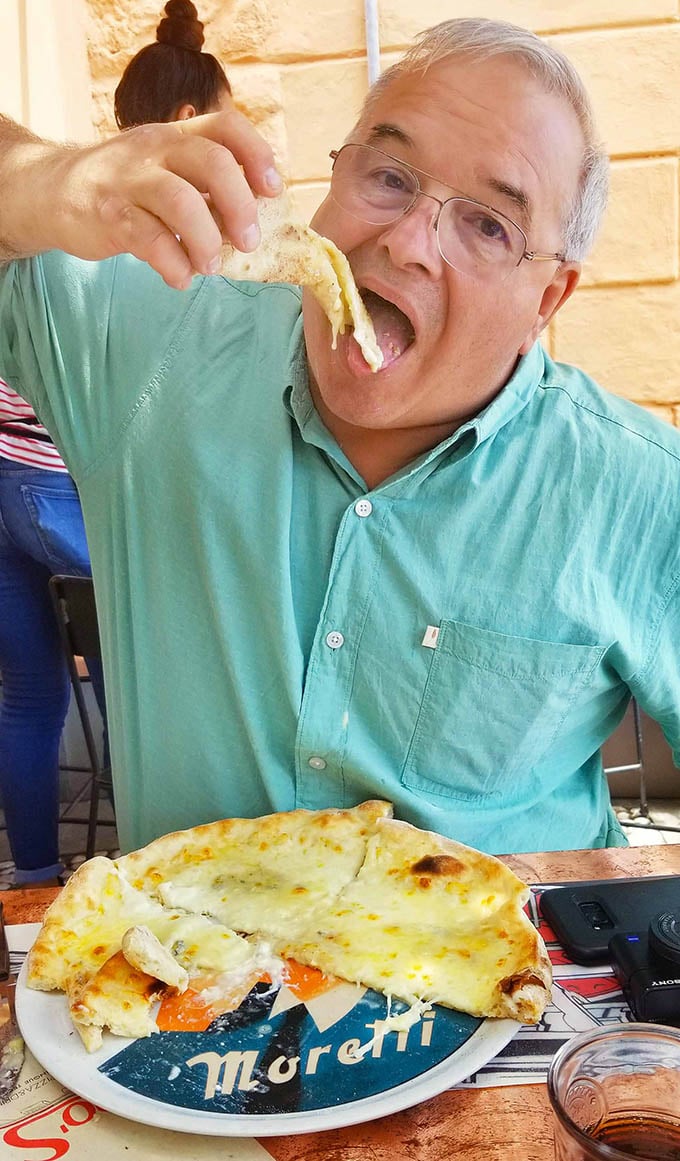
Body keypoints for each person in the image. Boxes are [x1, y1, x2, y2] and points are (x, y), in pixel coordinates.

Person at [0, 17, 678, 859]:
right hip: (185, 978)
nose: (406, 242)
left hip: (505, 978)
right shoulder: (153, 343)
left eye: (490, 226)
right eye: (389, 175)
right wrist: (44, 183)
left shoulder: (636, 488)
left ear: (547, 302)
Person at [0, 0, 232, 885]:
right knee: (152, 673)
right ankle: (150, 876)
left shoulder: (66, 224)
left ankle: (30, 880)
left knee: (32, 695)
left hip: (1, 485)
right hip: (62, 488)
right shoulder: (167, 253)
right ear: (191, 125)